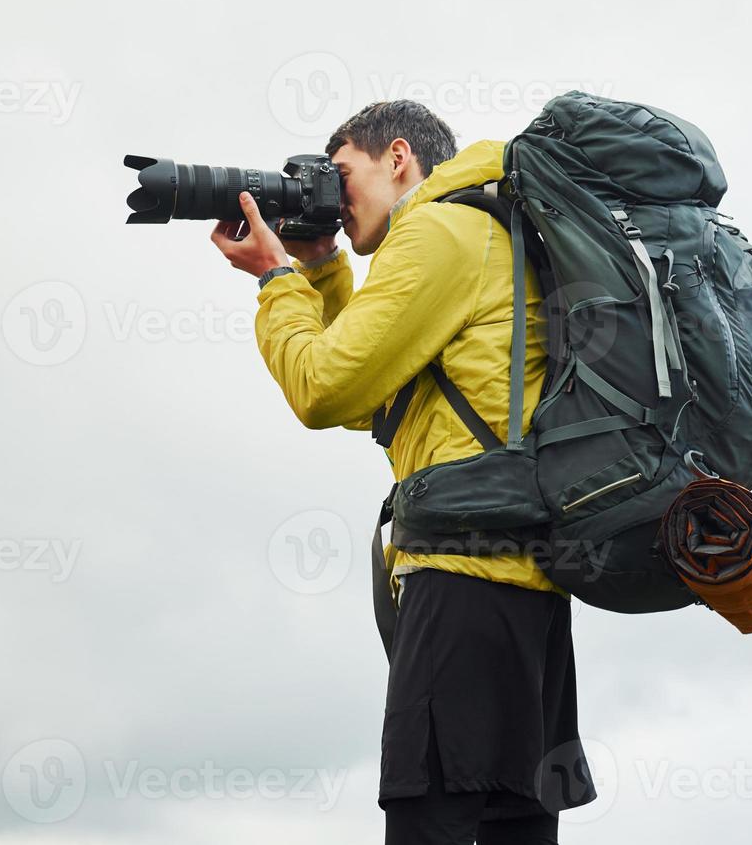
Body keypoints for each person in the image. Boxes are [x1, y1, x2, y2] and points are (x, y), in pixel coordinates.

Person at [211, 100, 596, 844]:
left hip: (460, 582)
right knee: (515, 831)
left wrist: (273, 280)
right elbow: (381, 395)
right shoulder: (489, 230)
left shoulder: (438, 229)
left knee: (430, 825)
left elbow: (325, 389)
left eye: (341, 175)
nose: (331, 194)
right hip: (529, 594)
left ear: (397, 158)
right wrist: (321, 269)